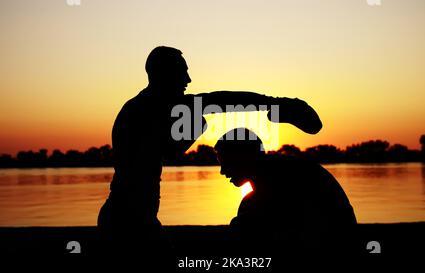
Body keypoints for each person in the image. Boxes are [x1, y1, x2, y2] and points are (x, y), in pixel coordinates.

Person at [97, 46, 322, 257]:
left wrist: (274, 104)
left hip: (133, 216)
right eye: (182, 73)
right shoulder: (146, 109)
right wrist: (276, 104)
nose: (188, 80)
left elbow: (220, 100)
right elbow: (215, 105)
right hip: (128, 218)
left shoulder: (148, 107)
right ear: (163, 75)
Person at [214, 128, 357, 257]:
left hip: (331, 246)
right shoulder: (277, 171)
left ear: (244, 158)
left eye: (226, 163)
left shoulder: (279, 177)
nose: (222, 171)